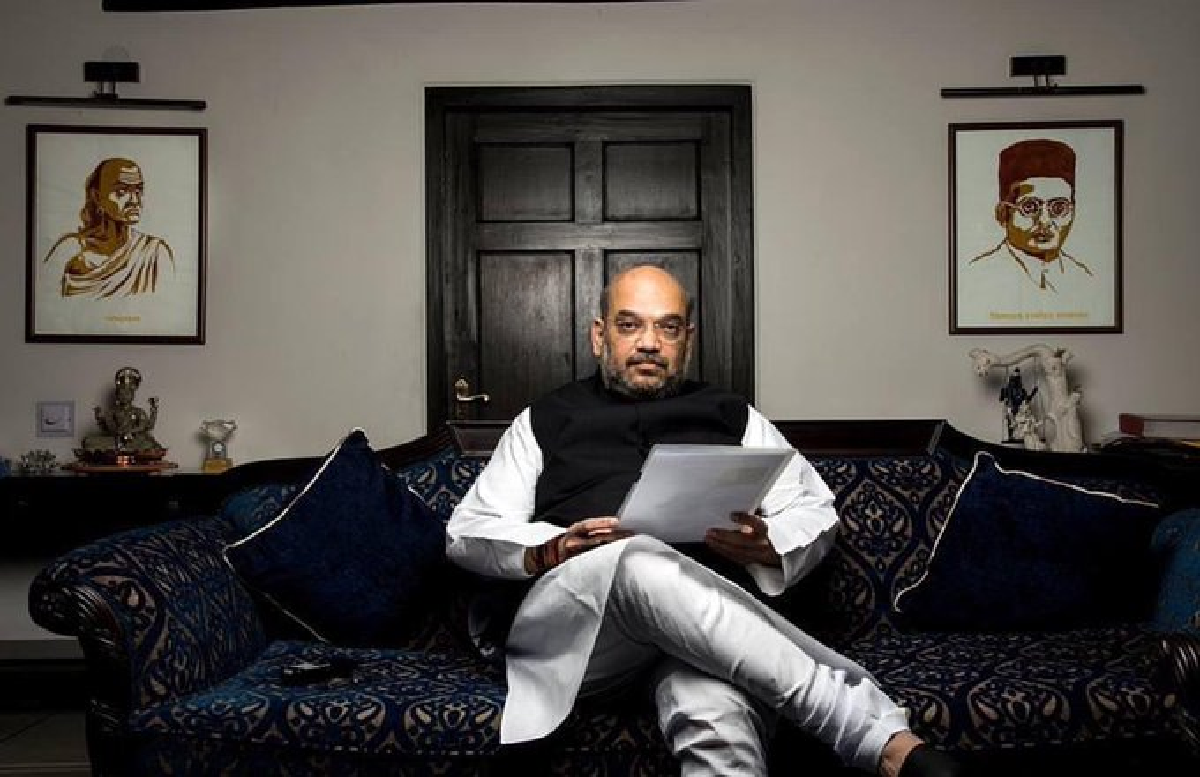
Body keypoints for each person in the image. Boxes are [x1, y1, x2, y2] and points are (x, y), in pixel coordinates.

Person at [447, 265, 964, 776]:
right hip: (582, 640)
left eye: (667, 327)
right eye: (629, 325)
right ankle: (875, 736)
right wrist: (554, 546)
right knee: (635, 559)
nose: (649, 343)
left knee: (717, 720)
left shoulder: (733, 415)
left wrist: (770, 545)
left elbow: (814, 510)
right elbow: (469, 529)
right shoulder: (543, 419)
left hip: (702, 639)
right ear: (599, 336)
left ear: (688, 340)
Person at [967, 138, 1092, 292]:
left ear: (1072, 213)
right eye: (1030, 207)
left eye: (1058, 208)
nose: (1045, 221)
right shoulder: (979, 275)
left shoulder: (1084, 278)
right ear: (1003, 214)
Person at [42, 157, 175, 299]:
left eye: (138, 190)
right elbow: (44, 300)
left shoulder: (154, 252)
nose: (134, 201)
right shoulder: (71, 249)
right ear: (97, 196)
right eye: (122, 191)